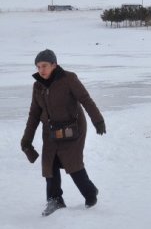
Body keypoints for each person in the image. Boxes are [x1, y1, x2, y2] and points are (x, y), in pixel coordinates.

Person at [20, 49, 106, 217]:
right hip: (51, 131)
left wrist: (98, 120)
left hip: (73, 128)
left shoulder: (69, 79)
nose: (41, 70)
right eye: (38, 67)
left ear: (54, 65)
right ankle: (55, 200)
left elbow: (85, 99)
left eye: (44, 66)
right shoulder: (38, 86)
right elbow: (34, 114)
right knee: (49, 164)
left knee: (72, 164)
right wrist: (26, 139)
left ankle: (90, 193)